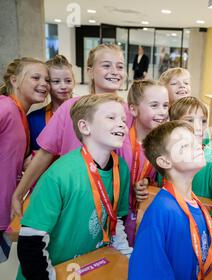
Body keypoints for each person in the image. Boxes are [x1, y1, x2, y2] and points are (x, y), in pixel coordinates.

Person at [11, 93, 132, 280]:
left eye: (123, 119)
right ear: (85, 127)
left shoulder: (121, 169)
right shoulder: (60, 175)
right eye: (111, 118)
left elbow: (115, 220)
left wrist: (127, 258)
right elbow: (30, 244)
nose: (121, 124)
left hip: (89, 274)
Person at [11, 44, 131, 219]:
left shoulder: (130, 113)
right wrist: (18, 194)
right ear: (90, 71)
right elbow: (45, 154)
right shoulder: (71, 108)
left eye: (120, 66)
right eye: (106, 65)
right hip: (75, 204)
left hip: (116, 207)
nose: (114, 71)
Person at [128, 121, 212, 280]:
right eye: (185, 146)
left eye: (195, 142)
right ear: (165, 161)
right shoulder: (162, 211)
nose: (198, 146)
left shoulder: (196, 204)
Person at [0, 57, 49, 263]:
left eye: (47, 80)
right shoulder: (7, 107)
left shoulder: (20, 115)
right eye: (35, 77)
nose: (44, 84)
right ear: (14, 80)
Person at [169, 97, 212, 239]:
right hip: (173, 227)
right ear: (173, 125)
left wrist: (207, 238)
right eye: (190, 120)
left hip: (202, 234)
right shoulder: (168, 157)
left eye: (203, 121)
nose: (198, 126)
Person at [116, 79, 169, 246]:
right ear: (133, 109)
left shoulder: (161, 147)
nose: (162, 112)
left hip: (140, 216)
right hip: (115, 216)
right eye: (154, 105)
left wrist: (146, 182)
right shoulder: (119, 141)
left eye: (165, 105)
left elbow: (155, 178)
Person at [27, 54, 75, 152]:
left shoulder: (85, 113)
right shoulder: (34, 119)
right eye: (56, 81)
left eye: (68, 81)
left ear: (74, 82)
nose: (63, 86)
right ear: (47, 84)